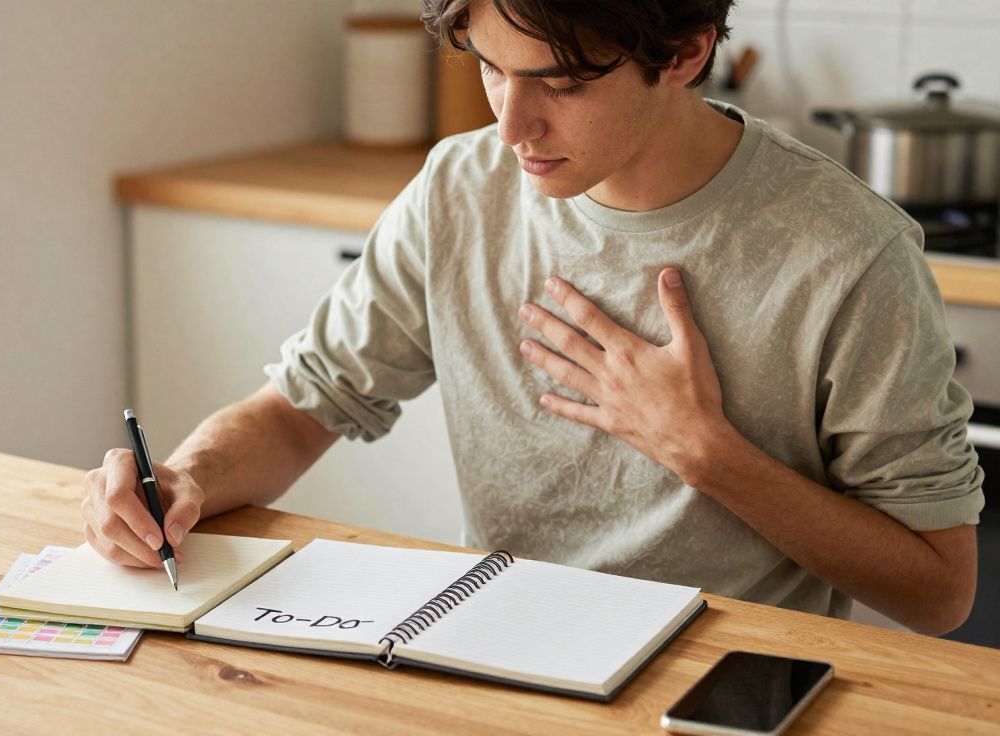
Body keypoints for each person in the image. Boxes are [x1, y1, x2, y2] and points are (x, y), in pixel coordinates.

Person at [82, 0, 984, 634]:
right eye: (489, 68)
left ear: (685, 54)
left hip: (726, 688)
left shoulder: (850, 253)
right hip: (498, 654)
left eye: (560, 82)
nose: (513, 127)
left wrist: (704, 452)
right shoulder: (459, 188)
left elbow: (940, 592)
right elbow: (298, 409)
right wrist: (183, 482)